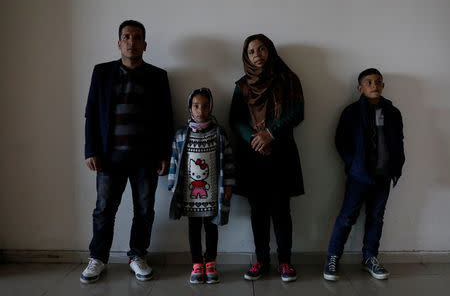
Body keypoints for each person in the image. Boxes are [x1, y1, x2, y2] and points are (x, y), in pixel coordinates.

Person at [80, 20, 173, 284]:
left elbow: (166, 118)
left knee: (144, 210)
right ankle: (97, 257)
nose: (132, 42)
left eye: (137, 37)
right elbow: (91, 114)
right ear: (119, 43)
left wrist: (164, 155)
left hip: (146, 158)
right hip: (110, 157)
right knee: (103, 210)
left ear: (145, 44)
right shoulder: (102, 72)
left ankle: (137, 255)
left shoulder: (158, 76)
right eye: (126, 37)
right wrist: (91, 149)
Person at [229, 34, 305, 282]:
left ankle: (285, 261)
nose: (257, 55)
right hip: (253, 156)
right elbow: (235, 119)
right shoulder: (241, 85)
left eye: (262, 49)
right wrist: (256, 138)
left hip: (281, 153)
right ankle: (261, 260)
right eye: (252, 51)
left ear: (270, 51)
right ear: (246, 57)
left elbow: (298, 112)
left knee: (281, 210)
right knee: (258, 211)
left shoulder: (288, 80)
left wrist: (271, 133)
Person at [323, 68, 405, 281]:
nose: (374, 85)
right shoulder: (351, 112)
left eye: (378, 81)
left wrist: (397, 164)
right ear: (360, 88)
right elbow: (340, 141)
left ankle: (370, 257)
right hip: (359, 175)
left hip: (383, 175)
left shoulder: (392, 112)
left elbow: (398, 141)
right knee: (347, 216)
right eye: (369, 82)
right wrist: (353, 164)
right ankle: (332, 257)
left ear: (383, 85)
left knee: (376, 216)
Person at [168, 88, 235, 284]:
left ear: (211, 107)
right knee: (193, 228)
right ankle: (197, 264)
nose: (201, 110)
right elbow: (174, 160)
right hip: (190, 195)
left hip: (213, 193)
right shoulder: (181, 134)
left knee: (212, 227)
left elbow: (228, 161)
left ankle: (211, 262)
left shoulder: (218, 133)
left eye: (205, 106)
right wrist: (172, 185)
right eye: (196, 106)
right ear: (190, 108)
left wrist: (229, 185)